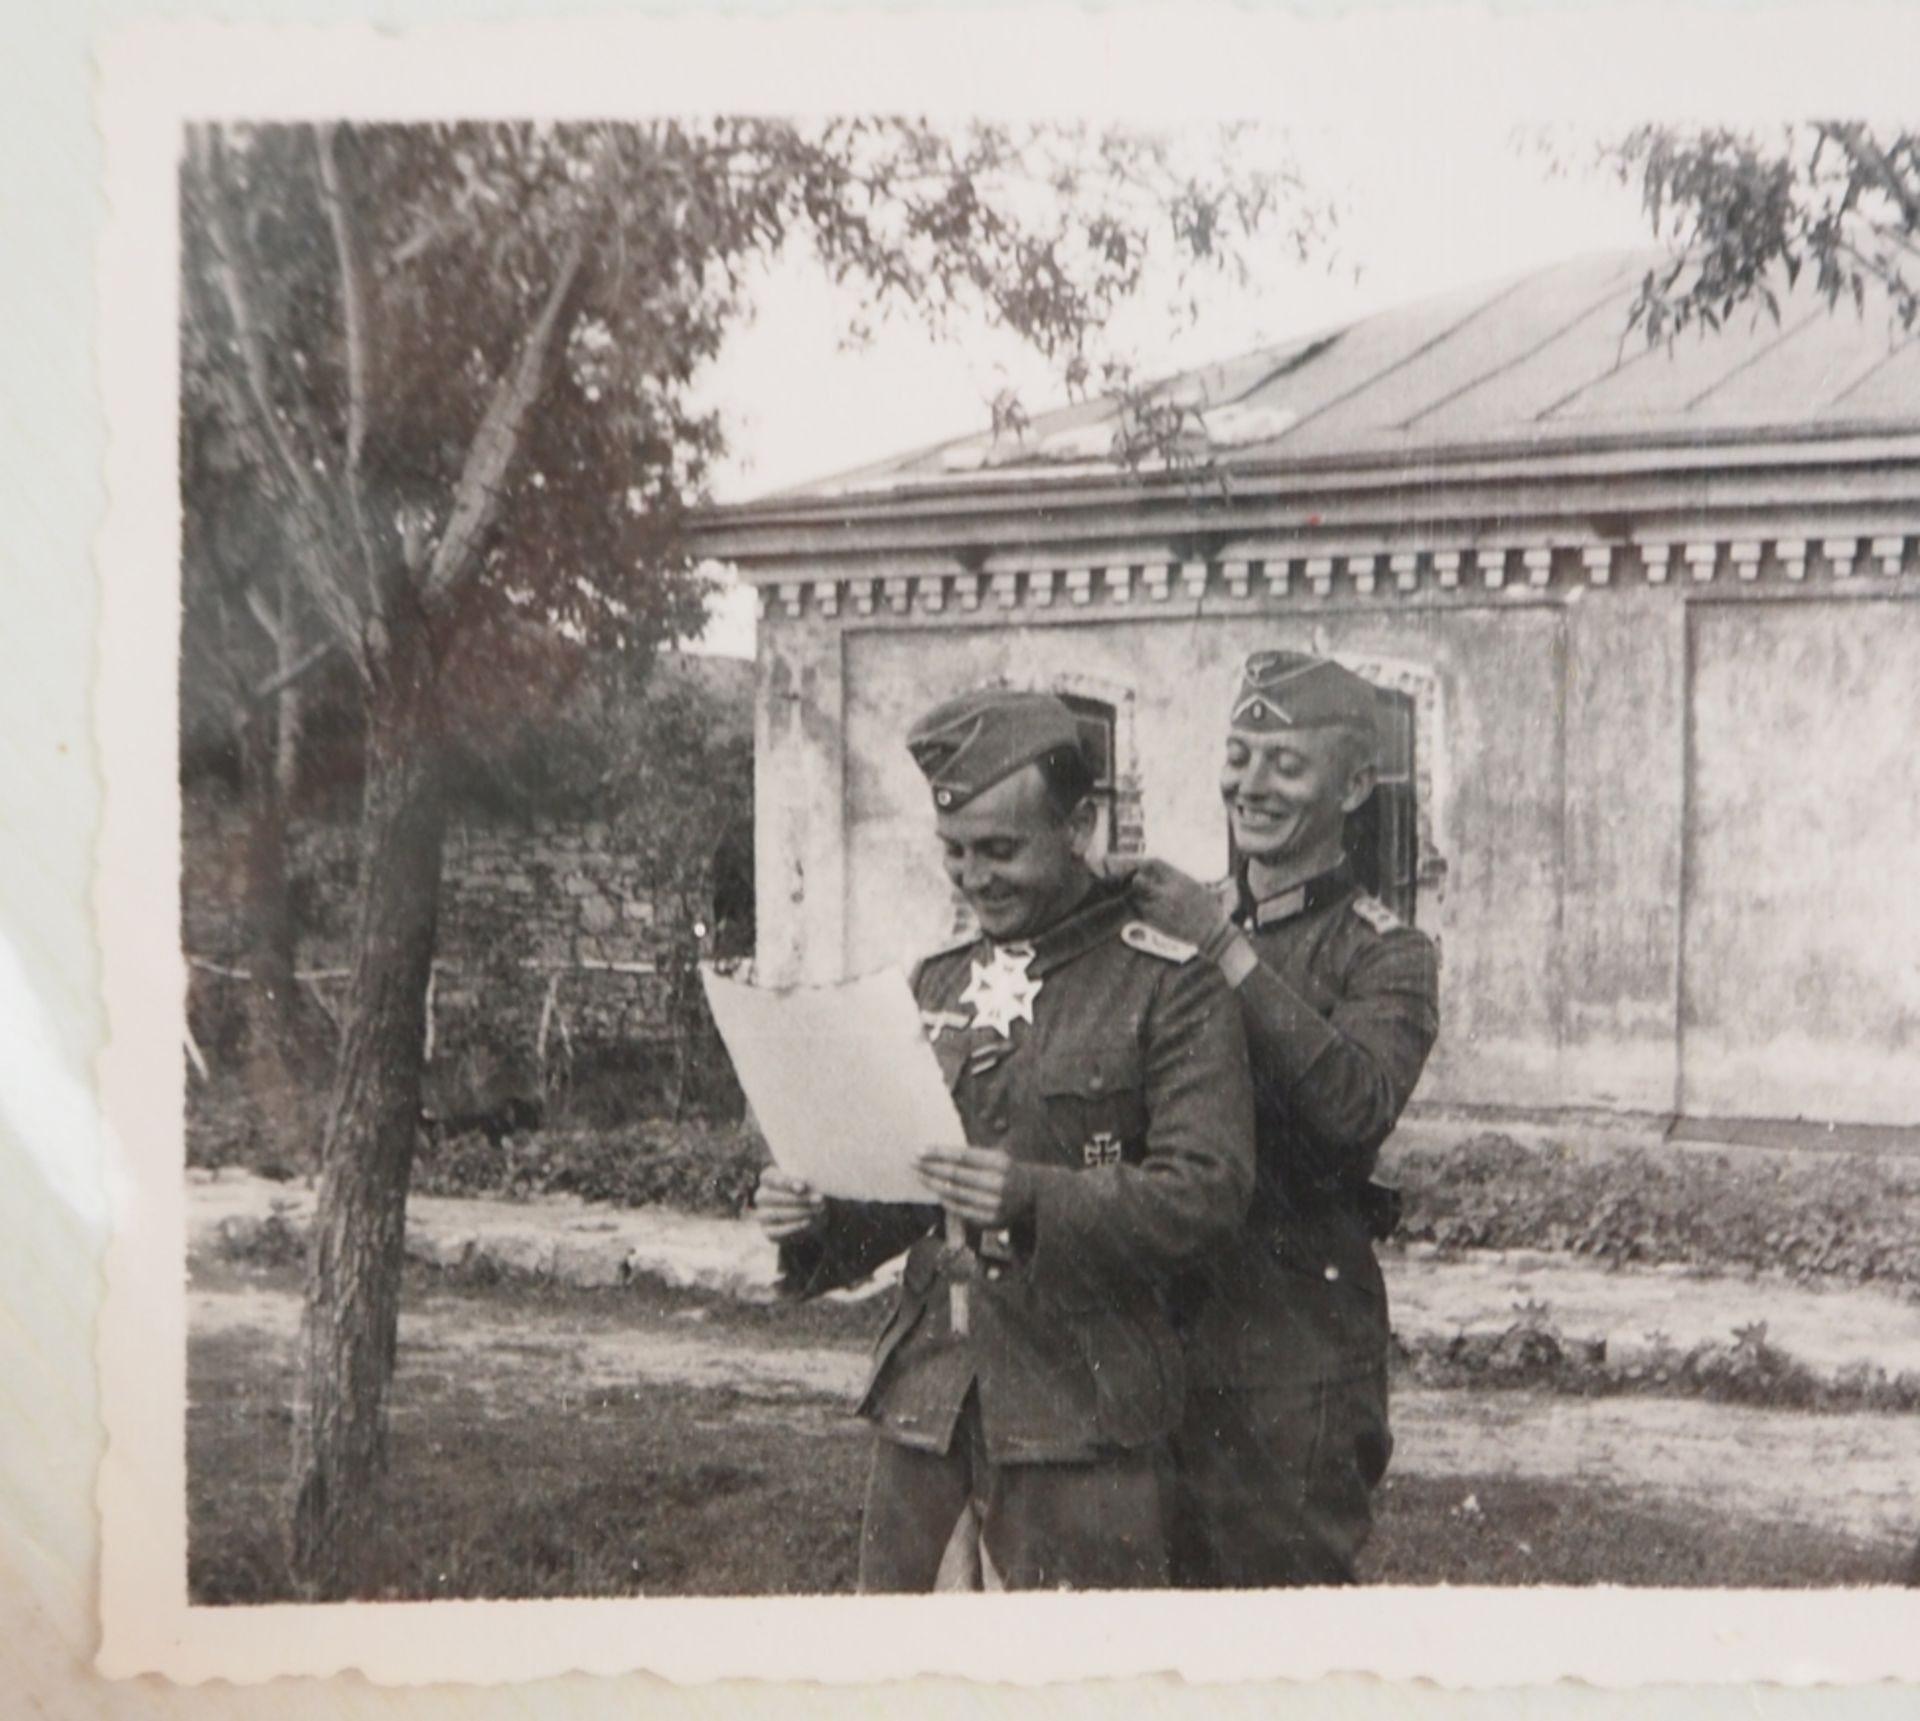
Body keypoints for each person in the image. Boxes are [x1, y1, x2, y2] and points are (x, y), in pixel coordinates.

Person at [752, 688, 1255, 1593]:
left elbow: (1209, 1192)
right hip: (928, 1412)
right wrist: (815, 1216)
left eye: (1001, 850)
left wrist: (1034, 1196)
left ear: (1081, 825)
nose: (974, 876)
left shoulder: (1169, 986)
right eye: (954, 852)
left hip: (1081, 1421)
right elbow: (907, 1191)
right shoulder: (934, 981)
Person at [1104, 650, 1440, 1587]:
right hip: (1163, 1339)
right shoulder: (1181, 917)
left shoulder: (1388, 953)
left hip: (1294, 1352)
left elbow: (1352, 1107)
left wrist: (1221, 949)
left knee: (1282, 1630)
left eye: (1286, 765)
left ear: (1356, 784)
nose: (1250, 785)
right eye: (1239, 754)